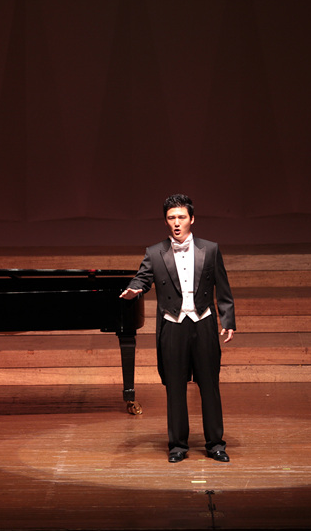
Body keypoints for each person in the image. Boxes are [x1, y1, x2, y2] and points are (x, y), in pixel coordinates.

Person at [120, 194, 235, 463]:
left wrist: (228, 320)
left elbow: (223, 287)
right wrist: (135, 289)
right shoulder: (154, 252)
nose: (176, 222)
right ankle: (178, 446)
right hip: (172, 325)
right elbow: (142, 278)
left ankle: (216, 444)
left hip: (203, 321)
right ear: (165, 221)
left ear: (192, 219)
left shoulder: (211, 249)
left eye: (181, 217)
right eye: (171, 217)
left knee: (209, 385)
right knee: (174, 388)